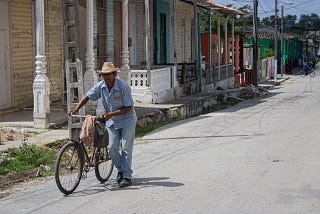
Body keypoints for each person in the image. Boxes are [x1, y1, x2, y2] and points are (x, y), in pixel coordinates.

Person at [69, 62, 137, 188]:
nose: (107, 77)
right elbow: (88, 96)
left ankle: (126, 176)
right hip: (112, 122)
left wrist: (111, 114)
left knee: (126, 148)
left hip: (127, 120)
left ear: (114, 74)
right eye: (104, 75)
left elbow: (128, 107)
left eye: (109, 75)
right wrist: (76, 109)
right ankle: (121, 170)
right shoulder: (101, 86)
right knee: (111, 148)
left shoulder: (123, 87)